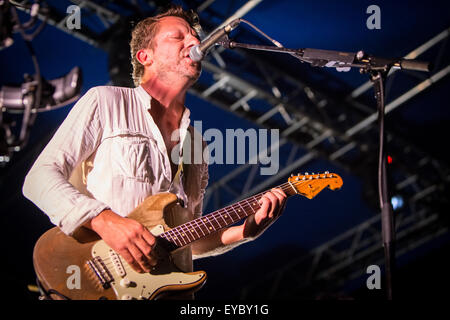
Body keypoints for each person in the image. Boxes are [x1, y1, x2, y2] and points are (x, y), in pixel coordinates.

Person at [22, 5, 286, 291]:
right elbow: (39, 179)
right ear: (144, 56)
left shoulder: (195, 145)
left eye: (195, 36)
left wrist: (244, 232)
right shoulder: (107, 102)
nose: (195, 42)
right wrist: (103, 221)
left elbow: (189, 240)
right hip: (99, 283)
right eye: (178, 37)